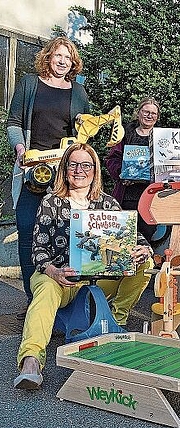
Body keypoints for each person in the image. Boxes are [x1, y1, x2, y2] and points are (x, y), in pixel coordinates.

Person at [13, 143, 153, 390]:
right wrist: (53, 271)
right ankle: (31, 361)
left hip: (98, 277)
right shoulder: (50, 202)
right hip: (59, 277)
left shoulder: (107, 203)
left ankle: (117, 320)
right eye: (73, 164)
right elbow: (37, 251)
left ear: (95, 170)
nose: (79, 170)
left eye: (85, 165)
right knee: (45, 289)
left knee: (145, 262)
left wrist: (143, 248)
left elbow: (132, 237)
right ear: (65, 169)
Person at [7, 36, 91, 313]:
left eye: (68, 57)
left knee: (65, 233)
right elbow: (14, 122)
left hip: (63, 172)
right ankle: (34, 301)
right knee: (28, 231)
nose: (63, 62)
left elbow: (84, 136)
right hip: (31, 168)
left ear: (73, 62)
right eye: (58, 56)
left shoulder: (79, 92)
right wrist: (21, 151)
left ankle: (61, 298)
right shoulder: (30, 84)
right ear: (48, 57)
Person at [105, 97, 160, 242]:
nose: (149, 116)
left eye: (153, 113)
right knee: (124, 235)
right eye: (146, 111)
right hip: (127, 195)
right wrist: (121, 174)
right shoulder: (126, 133)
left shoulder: (161, 137)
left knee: (147, 235)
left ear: (157, 117)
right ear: (138, 112)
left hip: (150, 196)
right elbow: (111, 159)